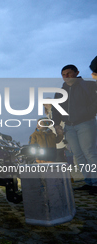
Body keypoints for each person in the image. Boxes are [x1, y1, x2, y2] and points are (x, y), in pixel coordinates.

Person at [52, 64, 97, 195]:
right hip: (69, 126)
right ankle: (89, 182)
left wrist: (87, 113)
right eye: (63, 74)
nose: (66, 76)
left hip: (85, 123)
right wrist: (56, 124)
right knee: (78, 155)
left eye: (69, 73)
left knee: (89, 152)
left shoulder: (89, 86)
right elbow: (56, 109)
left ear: (76, 73)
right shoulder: (60, 92)